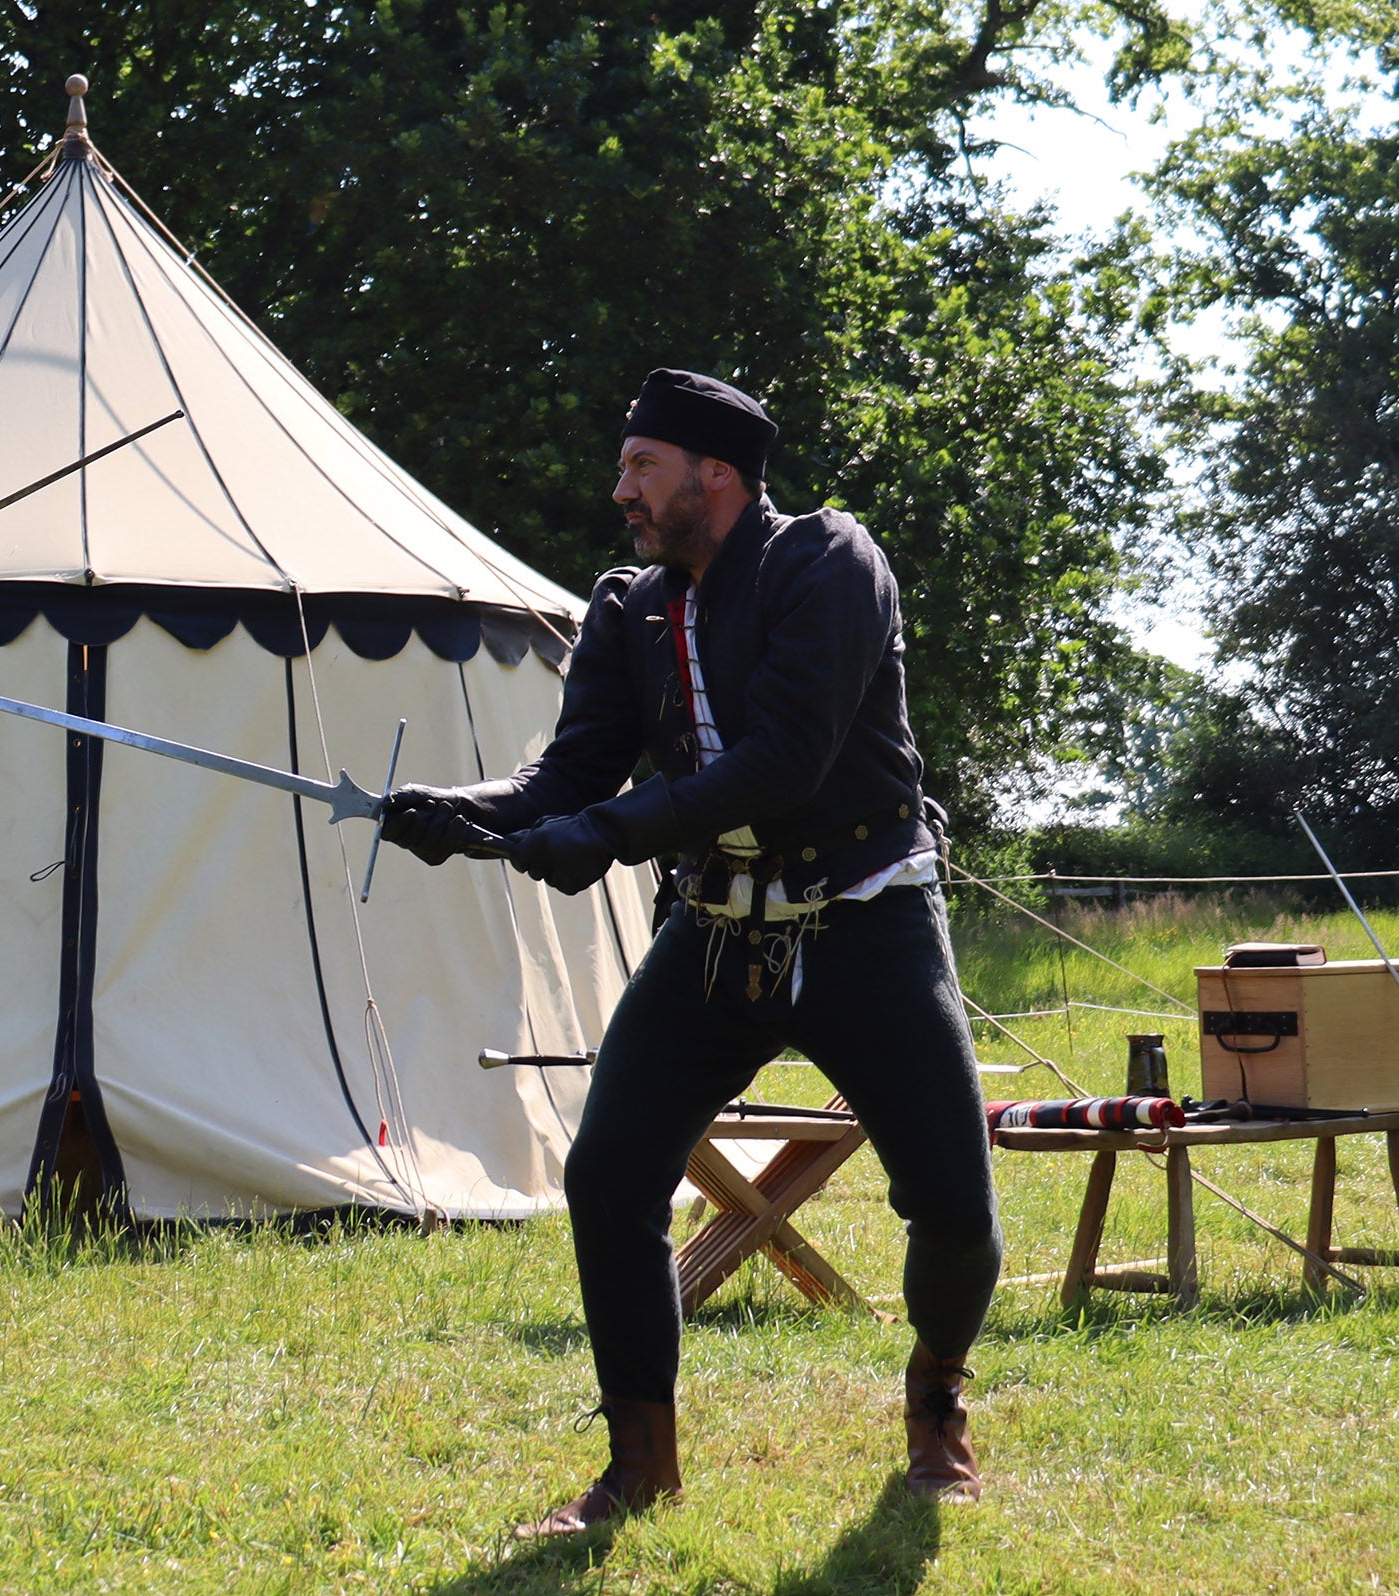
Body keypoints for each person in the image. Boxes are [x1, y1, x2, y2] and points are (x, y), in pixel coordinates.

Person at [381, 369, 1001, 1534]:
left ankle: (936, 1405)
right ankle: (639, 1468)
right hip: (716, 930)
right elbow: (568, 777)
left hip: (865, 915)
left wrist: (602, 838)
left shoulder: (830, 564)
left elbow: (783, 763)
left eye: (641, 468)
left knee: (955, 1208)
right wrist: (464, 813)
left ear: (716, 474)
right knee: (608, 1177)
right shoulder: (627, 609)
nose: (621, 490)